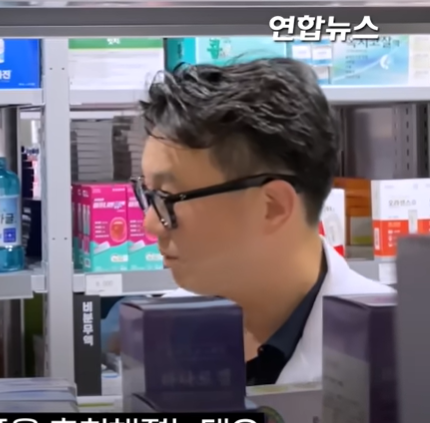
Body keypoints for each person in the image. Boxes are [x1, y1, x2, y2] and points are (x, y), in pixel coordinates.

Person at [105, 58, 392, 385]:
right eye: (149, 194)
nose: (150, 224)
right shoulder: (161, 334)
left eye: (169, 198)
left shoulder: (401, 352)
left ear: (272, 207)